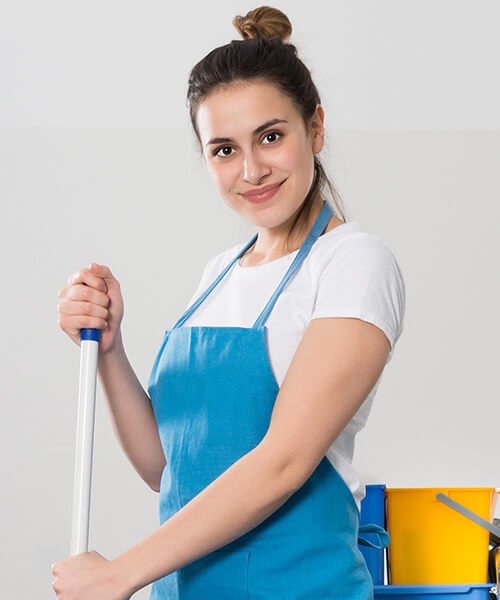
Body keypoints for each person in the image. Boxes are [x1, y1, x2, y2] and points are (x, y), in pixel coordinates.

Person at [53, 6, 405, 599]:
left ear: (316, 129)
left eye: (271, 136)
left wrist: (120, 573)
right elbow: (168, 468)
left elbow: (284, 462)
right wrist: (110, 350)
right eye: (223, 149)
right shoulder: (218, 274)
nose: (252, 170)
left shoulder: (354, 263)